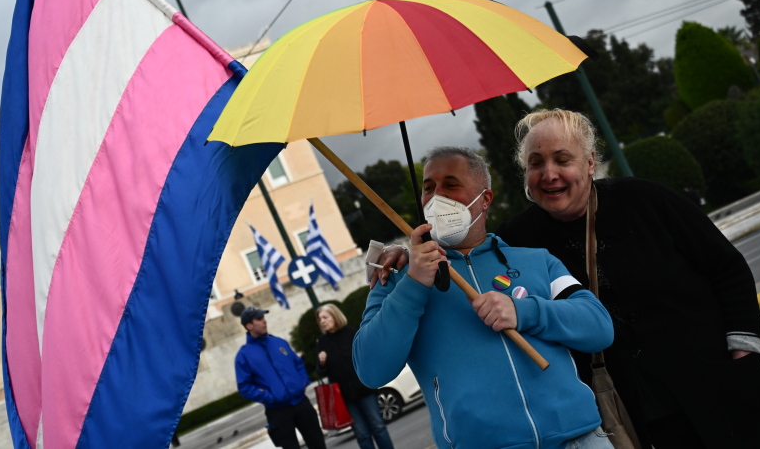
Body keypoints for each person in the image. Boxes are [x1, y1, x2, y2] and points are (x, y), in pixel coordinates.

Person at [494, 109, 760, 448]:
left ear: (590, 162)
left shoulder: (647, 199)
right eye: (536, 163)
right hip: (636, 412)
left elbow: (725, 267)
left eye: (562, 159)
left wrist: (744, 350)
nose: (549, 174)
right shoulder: (515, 242)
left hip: (720, 386)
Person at [353, 146, 615, 449]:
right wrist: (413, 284)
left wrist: (524, 312)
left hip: (580, 438)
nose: (438, 196)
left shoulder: (537, 260)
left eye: (451, 184)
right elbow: (370, 370)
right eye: (428, 188)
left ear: (485, 199)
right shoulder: (393, 278)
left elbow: (599, 327)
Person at [235, 307, 327, 449]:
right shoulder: (244, 356)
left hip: (301, 403)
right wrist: (270, 397)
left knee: (318, 443)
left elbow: (298, 364)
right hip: (277, 411)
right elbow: (244, 387)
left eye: (263, 317)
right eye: (259, 319)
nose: (264, 321)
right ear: (249, 326)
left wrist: (302, 383)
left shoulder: (279, 342)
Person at [316, 303, 395, 449]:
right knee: (361, 433)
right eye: (320, 319)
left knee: (378, 426)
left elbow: (367, 358)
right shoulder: (322, 342)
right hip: (345, 397)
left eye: (325, 317)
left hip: (364, 390)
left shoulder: (351, 332)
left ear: (335, 316)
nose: (322, 321)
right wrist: (321, 363)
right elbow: (321, 373)